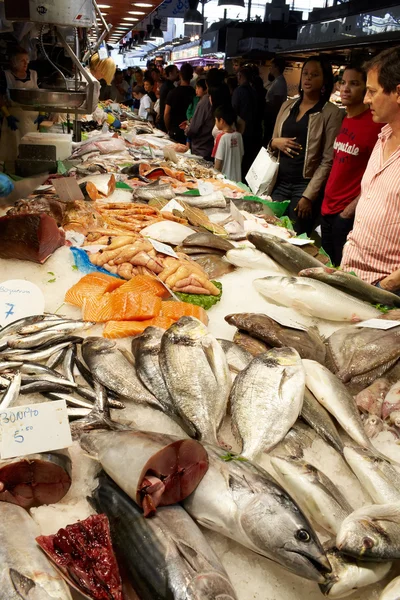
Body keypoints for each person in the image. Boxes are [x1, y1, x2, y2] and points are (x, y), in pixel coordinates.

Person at [341, 47, 400, 294]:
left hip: (382, 293)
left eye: (372, 92)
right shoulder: (383, 136)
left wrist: (384, 288)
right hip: (351, 275)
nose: (366, 99)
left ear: (398, 93)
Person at [269, 57, 343, 235]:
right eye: (306, 74)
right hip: (278, 182)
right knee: (269, 230)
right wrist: (274, 142)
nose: (308, 78)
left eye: (314, 75)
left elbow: (328, 160)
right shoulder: (287, 106)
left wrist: (308, 195)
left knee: (294, 237)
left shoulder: (331, 113)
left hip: (304, 186)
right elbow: (272, 142)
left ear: (325, 80)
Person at [320, 65, 382, 266]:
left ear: (366, 89)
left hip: (346, 214)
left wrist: (348, 211)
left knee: (342, 270)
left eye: (354, 84)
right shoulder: (344, 118)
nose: (345, 88)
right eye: (343, 82)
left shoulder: (376, 125)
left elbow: (377, 177)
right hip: (328, 207)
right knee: (327, 264)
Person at [0, 47, 42, 165]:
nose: (26, 63)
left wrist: (42, 113)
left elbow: (40, 96)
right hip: (14, 118)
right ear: (13, 61)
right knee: (12, 149)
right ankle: (11, 172)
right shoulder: (6, 75)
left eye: (27, 60)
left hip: (33, 119)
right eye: (22, 60)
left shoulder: (34, 74)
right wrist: (7, 115)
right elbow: (0, 97)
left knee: (30, 147)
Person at [232, 66, 261, 180]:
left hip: (242, 132)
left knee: (240, 160)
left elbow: (233, 111)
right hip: (255, 131)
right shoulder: (255, 91)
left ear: (240, 76)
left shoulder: (238, 91)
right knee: (249, 161)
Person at [164, 63, 195, 144]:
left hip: (175, 131)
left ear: (180, 75)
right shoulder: (194, 93)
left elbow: (166, 114)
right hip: (189, 132)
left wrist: (169, 129)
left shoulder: (172, 92)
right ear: (191, 76)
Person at [213, 105, 244, 182]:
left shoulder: (221, 137)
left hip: (224, 181)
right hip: (237, 179)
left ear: (222, 121)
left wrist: (214, 177)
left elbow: (218, 162)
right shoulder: (239, 136)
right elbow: (241, 155)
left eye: (216, 120)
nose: (215, 123)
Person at [186, 79, 214, 160]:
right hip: (207, 146)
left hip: (201, 148)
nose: (196, 90)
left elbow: (194, 128)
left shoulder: (204, 101)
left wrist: (187, 130)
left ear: (206, 88)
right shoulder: (200, 100)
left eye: (198, 88)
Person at [264, 57, 288, 142]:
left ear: (277, 68)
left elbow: (277, 103)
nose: (270, 68)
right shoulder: (276, 81)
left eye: (272, 66)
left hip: (272, 118)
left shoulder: (279, 82)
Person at [157, 64, 179, 132]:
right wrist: (168, 128)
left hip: (163, 119)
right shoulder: (169, 87)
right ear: (170, 73)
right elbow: (167, 110)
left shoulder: (165, 85)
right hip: (166, 121)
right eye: (176, 72)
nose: (178, 74)